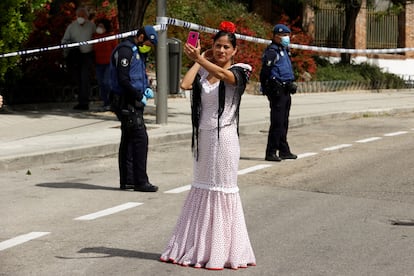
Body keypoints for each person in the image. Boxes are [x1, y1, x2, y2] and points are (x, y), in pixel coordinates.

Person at [160, 21, 256, 270]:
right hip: (204, 137)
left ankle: (224, 251)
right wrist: (199, 58)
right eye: (218, 46)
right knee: (203, 187)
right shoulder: (204, 69)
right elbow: (185, 85)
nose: (222, 51)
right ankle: (198, 247)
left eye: (226, 47)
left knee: (222, 190)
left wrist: (203, 61)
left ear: (234, 50)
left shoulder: (240, 69)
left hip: (224, 138)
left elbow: (227, 77)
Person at [109, 26, 158, 192]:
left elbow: (137, 75)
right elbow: (123, 79)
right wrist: (138, 96)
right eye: (148, 43)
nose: (149, 47)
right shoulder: (125, 51)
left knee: (129, 139)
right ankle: (140, 181)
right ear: (141, 36)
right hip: (125, 101)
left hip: (133, 101)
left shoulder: (137, 51)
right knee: (140, 138)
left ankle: (128, 180)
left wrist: (145, 89)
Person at [260, 23, 298, 162]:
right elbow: (265, 72)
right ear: (275, 36)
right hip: (277, 90)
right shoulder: (272, 51)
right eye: (283, 35)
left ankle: (283, 150)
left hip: (286, 89)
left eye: (287, 35)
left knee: (284, 121)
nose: (286, 38)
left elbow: (286, 69)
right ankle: (271, 152)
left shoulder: (285, 50)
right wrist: (265, 87)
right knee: (277, 122)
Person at [62, 7, 96, 111]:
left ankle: (84, 102)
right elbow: (65, 40)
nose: (81, 18)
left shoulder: (91, 26)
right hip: (76, 56)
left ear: (86, 17)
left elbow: (97, 38)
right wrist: (65, 53)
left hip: (87, 55)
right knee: (78, 79)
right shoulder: (72, 27)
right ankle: (81, 101)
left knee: (84, 78)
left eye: (83, 16)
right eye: (79, 16)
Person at [93, 18, 118, 111]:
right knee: (101, 83)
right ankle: (106, 102)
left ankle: (112, 102)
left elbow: (115, 50)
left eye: (101, 26)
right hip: (99, 63)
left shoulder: (111, 37)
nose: (99, 28)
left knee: (107, 82)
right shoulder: (95, 37)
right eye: (98, 26)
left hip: (109, 63)